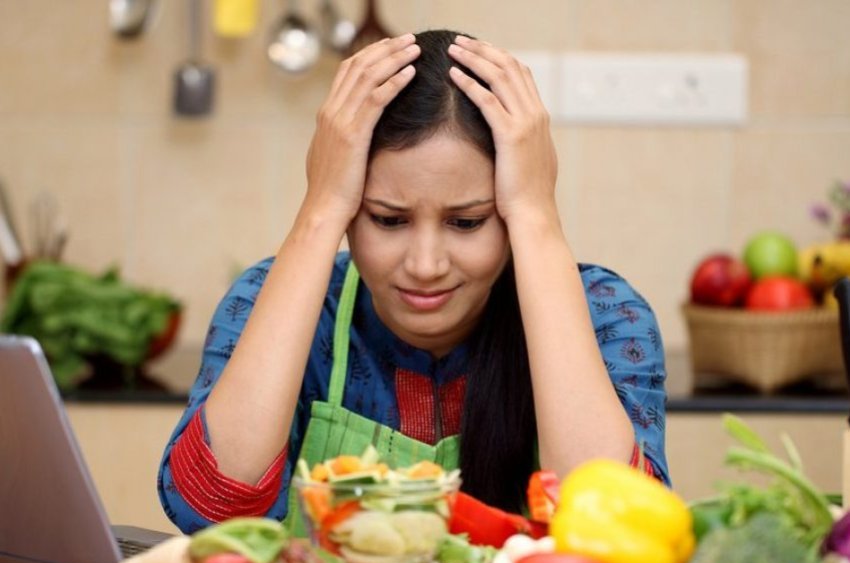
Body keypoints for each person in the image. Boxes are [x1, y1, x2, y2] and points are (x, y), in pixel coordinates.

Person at [158, 29, 669, 535]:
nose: (426, 265)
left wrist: (537, 216)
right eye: (388, 219)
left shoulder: (604, 313)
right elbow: (211, 507)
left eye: (467, 222)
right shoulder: (278, 302)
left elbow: (617, 527)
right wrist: (320, 208)